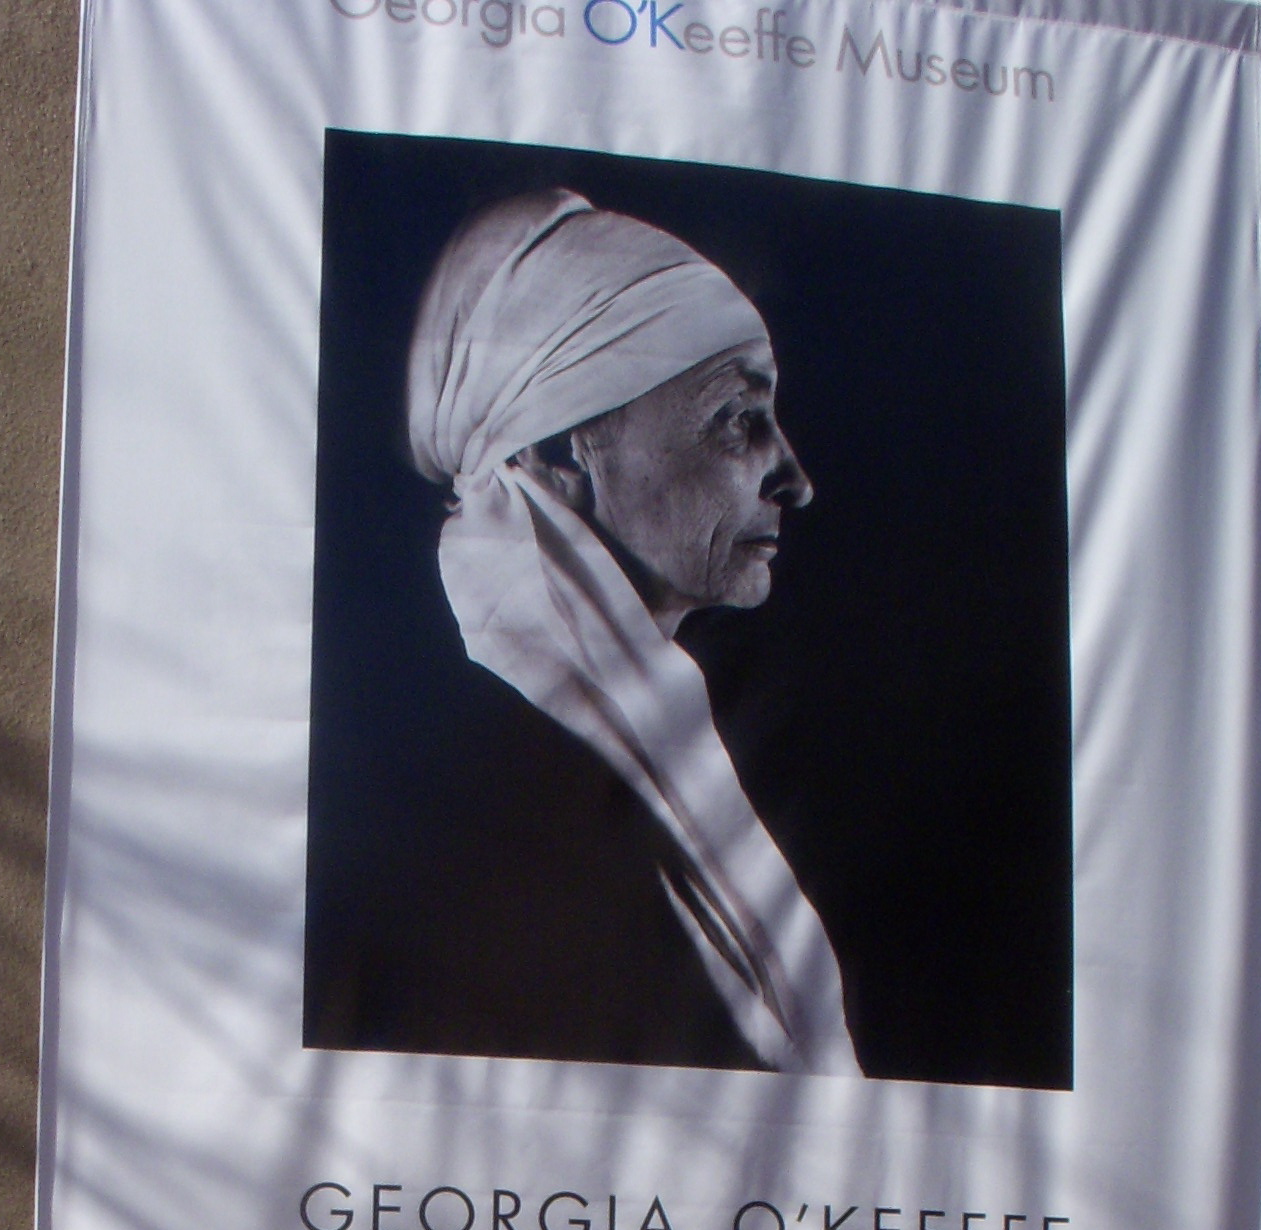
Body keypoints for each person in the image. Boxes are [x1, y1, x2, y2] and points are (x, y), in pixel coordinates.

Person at [306, 188, 857, 1078]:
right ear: (563, 454)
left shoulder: (638, 745)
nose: (793, 478)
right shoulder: (495, 787)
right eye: (738, 420)